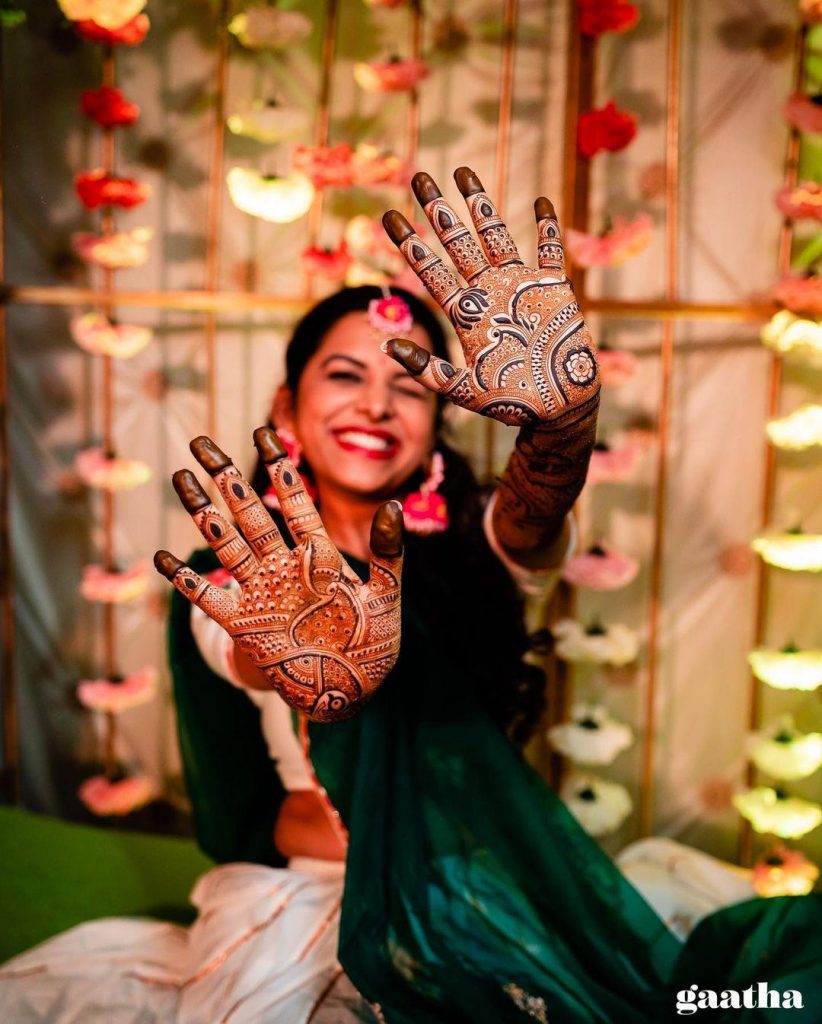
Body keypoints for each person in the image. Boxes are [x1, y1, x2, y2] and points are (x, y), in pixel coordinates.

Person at [2, 169, 819, 1023]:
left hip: (490, 887)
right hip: (313, 910)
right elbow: (247, 657)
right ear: (288, 404)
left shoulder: (476, 548)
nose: (376, 405)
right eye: (344, 376)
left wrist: (561, 430)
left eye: (408, 384)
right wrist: (311, 655)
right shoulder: (243, 578)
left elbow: (535, 514)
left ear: (440, 421)